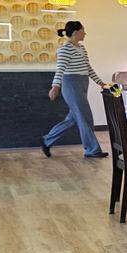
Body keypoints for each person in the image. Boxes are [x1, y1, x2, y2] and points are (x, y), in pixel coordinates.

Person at [43, 21, 110, 158]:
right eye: (83, 31)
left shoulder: (82, 48)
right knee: (85, 117)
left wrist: (101, 83)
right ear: (75, 33)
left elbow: (88, 68)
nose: (85, 33)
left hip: (82, 85)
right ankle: (92, 150)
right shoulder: (64, 49)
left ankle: (47, 140)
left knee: (73, 118)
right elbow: (60, 70)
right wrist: (55, 87)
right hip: (71, 85)